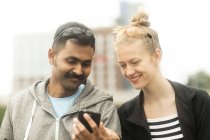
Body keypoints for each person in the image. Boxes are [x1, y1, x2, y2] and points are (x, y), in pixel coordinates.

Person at [0, 22, 121, 140]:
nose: (79, 71)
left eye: (86, 64)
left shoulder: (103, 105)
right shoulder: (19, 104)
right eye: (71, 61)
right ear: (52, 56)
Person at [114, 11, 210, 140]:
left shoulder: (198, 101)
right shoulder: (125, 114)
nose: (129, 72)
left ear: (156, 56)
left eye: (135, 62)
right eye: (123, 65)